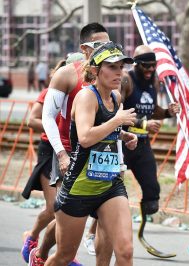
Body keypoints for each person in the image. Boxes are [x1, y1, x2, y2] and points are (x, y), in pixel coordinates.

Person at [44, 41, 137, 266]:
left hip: (109, 183)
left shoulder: (115, 97)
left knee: (125, 253)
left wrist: (123, 135)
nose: (119, 73)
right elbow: (85, 137)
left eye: (121, 67)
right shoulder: (86, 97)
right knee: (64, 256)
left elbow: (107, 129)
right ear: (95, 70)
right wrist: (117, 121)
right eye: (112, 67)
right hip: (79, 186)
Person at [27, 22, 111, 266]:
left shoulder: (110, 74)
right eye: (100, 45)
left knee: (104, 217)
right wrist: (62, 154)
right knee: (70, 214)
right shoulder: (67, 75)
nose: (106, 48)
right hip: (70, 152)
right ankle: (41, 255)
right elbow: (47, 118)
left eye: (108, 43)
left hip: (100, 154)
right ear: (85, 48)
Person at [21, 57, 83, 266]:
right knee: (54, 207)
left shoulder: (87, 92)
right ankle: (32, 239)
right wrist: (55, 127)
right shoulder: (53, 91)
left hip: (74, 150)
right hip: (52, 149)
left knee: (67, 208)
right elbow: (32, 120)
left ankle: (62, 253)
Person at [119, 45, 179, 237]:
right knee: (112, 191)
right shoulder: (126, 80)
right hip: (122, 143)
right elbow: (114, 114)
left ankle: (142, 228)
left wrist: (168, 112)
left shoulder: (153, 81)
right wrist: (143, 124)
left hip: (142, 145)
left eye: (153, 66)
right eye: (146, 66)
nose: (150, 70)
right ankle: (96, 229)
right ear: (136, 64)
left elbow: (152, 110)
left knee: (152, 192)